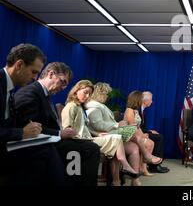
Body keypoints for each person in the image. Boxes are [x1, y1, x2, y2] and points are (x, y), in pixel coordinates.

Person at [14, 61, 100, 186]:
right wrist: (60, 133)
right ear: (51, 74)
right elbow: (27, 129)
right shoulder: (30, 93)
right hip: (38, 145)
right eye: (63, 82)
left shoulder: (43, 94)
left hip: (49, 140)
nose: (63, 87)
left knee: (87, 147)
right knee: (89, 149)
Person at [0, 44, 66, 186]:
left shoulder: (8, 87)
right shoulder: (7, 86)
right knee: (44, 151)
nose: (35, 77)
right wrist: (22, 132)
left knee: (44, 149)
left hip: (9, 144)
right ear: (19, 65)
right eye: (33, 72)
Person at [61, 80, 141, 186]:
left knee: (118, 138)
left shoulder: (79, 106)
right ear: (76, 90)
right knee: (121, 137)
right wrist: (115, 126)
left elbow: (84, 127)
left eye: (89, 93)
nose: (87, 96)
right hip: (80, 140)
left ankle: (125, 169)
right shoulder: (71, 106)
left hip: (88, 137)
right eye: (85, 92)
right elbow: (67, 129)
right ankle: (127, 165)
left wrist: (98, 134)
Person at [85, 83, 162, 168]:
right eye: (106, 94)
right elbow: (98, 125)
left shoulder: (101, 106)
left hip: (111, 133)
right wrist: (117, 124)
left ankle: (135, 177)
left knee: (135, 146)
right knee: (135, 130)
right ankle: (146, 156)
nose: (107, 96)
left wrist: (120, 124)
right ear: (100, 94)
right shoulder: (94, 106)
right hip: (105, 135)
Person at [124, 90, 159, 176]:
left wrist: (143, 135)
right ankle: (141, 167)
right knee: (149, 143)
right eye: (141, 99)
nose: (142, 101)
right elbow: (133, 128)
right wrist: (142, 136)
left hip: (136, 134)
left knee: (151, 143)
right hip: (129, 136)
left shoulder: (135, 111)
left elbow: (138, 126)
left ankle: (143, 168)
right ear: (136, 99)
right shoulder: (129, 111)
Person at [140, 91, 169, 173]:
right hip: (139, 134)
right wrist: (147, 133)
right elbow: (137, 127)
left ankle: (155, 164)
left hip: (142, 132)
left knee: (158, 135)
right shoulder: (138, 110)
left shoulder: (142, 110)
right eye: (151, 100)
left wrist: (150, 131)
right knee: (159, 138)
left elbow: (142, 127)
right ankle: (155, 165)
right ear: (145, 101)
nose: (152, 102)